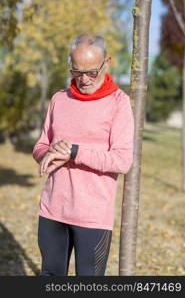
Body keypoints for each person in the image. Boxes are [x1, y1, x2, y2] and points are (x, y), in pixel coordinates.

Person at [32, 34, 134, 276]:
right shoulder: (59, 99)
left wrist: (75, 152)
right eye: (77, 71)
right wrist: (49, 153)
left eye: (91, 72)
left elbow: (122, 160)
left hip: (93, 217)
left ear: (106, 62)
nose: (84, 79)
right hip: (52, 209)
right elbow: (41, 145)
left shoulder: (119, 103)